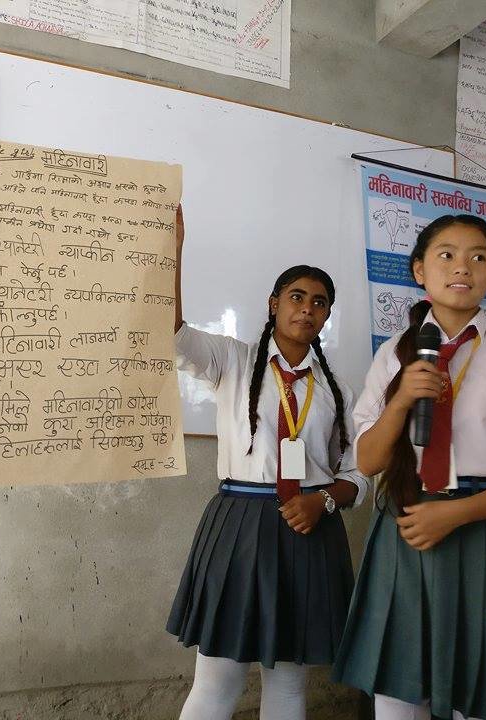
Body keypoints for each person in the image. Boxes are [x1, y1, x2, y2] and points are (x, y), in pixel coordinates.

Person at [332, 214, 486, 720]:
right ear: (419, 270)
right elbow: (368, 460)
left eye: (478, 257)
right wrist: (402, 400)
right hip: (406, 527)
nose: (462, 267)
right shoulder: (393, 355)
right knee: (398, 691)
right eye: (446, 255)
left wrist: (456, 513)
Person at [166, 207, 370, 719]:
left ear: (327, 316)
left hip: (309, 527)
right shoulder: (232, 360)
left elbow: (359, 472)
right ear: (274, 303)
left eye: (320, 302)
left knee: (289, 684)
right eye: (297, 297)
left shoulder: (339, 391)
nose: (307, 309)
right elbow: (171, 332)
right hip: (240, 523)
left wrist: (325, 501)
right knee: (218, 680)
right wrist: (172, 250)